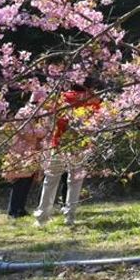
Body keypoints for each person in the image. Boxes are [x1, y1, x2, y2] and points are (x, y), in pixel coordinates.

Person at [34, 78, 103, 225]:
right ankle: (70, 216)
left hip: (59, 143)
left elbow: (53, 117)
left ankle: (42, 217)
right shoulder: (93, 100)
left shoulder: (62, 98)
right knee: (75, 181)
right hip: (81, 145)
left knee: (51, 180)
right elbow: (98, 121)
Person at [2, 109, 49, 219]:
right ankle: (13, 210)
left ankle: (20, 208)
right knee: (19, 182)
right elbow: (25, 132)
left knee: (27, 181)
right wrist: (41, 132)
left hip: (31, 152)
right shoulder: (24, 112)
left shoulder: (41, 114)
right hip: (21, 152)